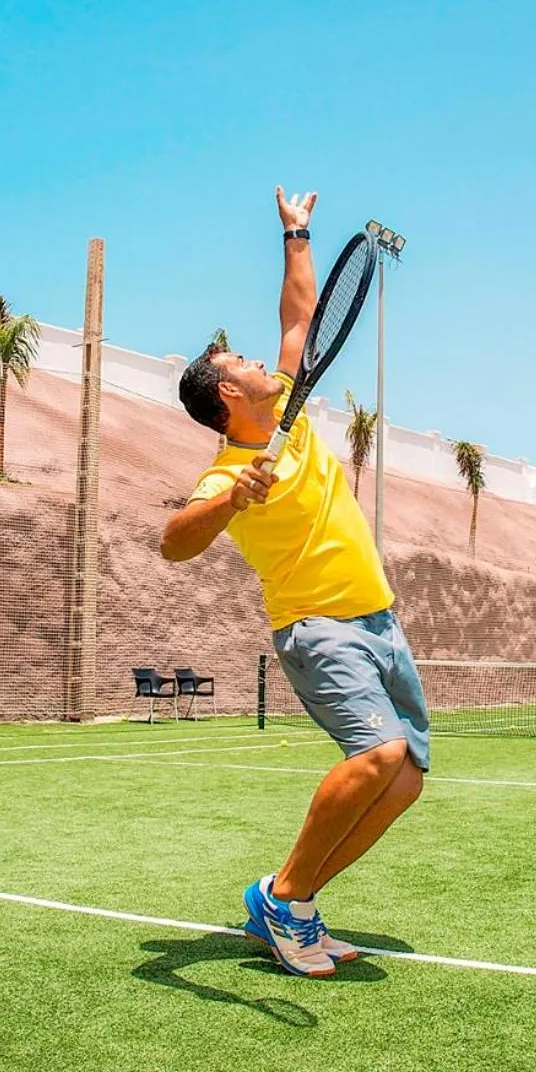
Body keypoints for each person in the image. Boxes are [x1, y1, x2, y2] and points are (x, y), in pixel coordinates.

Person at [159, 186, 429, 979]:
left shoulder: (294, 415)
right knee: (377, 755)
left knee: (404, 780)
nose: (255, 359)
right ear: (227, 397)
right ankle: (284, 899)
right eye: (237, 362)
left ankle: (294, 903)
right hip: (319, 626)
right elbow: (173, 543)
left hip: (379, 621)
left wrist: (297, 232)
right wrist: (234, 496)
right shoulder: (227, 471)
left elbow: (298, 319)